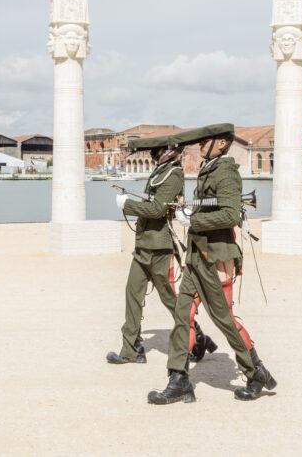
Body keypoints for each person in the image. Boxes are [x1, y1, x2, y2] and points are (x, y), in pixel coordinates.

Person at [147, 124, 276, 404]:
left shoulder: (226, 172)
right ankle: (179, 379)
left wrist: (193, 220)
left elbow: (230, 215)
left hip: (216, 257)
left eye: (206, 141)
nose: (201, 145)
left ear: (221, 144)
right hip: (197, 255)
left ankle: (255, 372)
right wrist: (189, 213)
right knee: (183, 315)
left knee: (223, 319)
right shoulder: (209, 169)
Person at [106, 134, 217, 365]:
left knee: (172, 301)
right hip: (144, 245)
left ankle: (197, 339)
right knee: (132, 294)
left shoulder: (173, 174)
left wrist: (127, 205)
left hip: (160, 248)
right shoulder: (160, 171)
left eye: (158, 150)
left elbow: (157, 210)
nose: (154, 154)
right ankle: (131, 349)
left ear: (170, 151)